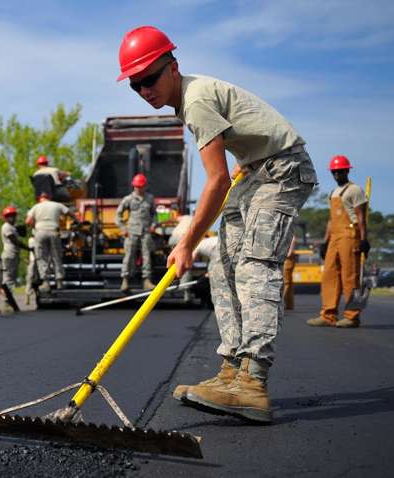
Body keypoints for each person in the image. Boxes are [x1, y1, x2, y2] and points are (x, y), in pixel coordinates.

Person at [117, 25, 316, 422]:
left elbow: (217, 180)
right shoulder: (188, 102)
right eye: (135, 85)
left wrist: (187, 241)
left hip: (282, 170)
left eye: (150, 78)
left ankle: (253, 382)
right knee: (222, 266)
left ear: (172, 67)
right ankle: (231, 371)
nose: (145, 90)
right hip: (256, 170)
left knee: (255, 266)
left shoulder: (196, 99)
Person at [308, 156, 369, 328]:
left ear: (347, 170)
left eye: (340, 171)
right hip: (334, 236)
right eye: (334, 171)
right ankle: (328, 315)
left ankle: (352, 316)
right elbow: (330, 220)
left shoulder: (354, 190)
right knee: (329, 275)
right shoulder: (333, 193)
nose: (337, 174)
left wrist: (364, 239)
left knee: (350, 276)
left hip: (350, 234)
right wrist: (325, 241)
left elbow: (361, 217)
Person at [26, 192, 77, 293]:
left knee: (42, 258)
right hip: (54, 231)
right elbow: (70, 213)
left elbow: (28, 221)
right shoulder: (57, 205)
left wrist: (35, 226)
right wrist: (76, 221)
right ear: (49, 198)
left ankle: (46, 282)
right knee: (56, 256)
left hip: (40, 233)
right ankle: (59, 282)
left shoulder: (36, 207)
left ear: (40, 198)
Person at [116, 173, 156, 292]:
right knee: (128, 256)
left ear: (145, 186)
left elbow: (155, 215)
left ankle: (147, 280)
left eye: (141, 186)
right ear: (134, 186)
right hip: (131, 232)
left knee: (147, 256)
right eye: (137, 186)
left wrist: (153, 225)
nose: (139, 188)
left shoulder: (150, 198)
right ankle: (125, 280)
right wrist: (123, 228)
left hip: (145, 232)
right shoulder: (128, 199)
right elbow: (118, 215)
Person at [1, 206, 30, 311]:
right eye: (9, 216)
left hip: (14, 255)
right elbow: (15, 241)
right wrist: (28, 248)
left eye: (13, 215)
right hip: (10, 255)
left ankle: (8, 300)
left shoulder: (13, 227)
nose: (12, 218)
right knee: (8, 279)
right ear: (5, 217)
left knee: (11, 279)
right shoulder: (7, 227)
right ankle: (7, 302)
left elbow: (22, 235)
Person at [283, 235, 297, 311]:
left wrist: (288, 253)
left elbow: (293, 239)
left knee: (286, 283)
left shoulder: (289, 231)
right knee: (289, 283)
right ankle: (289, 304)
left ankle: (281, 303)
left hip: (288, 259)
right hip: (289, 258)